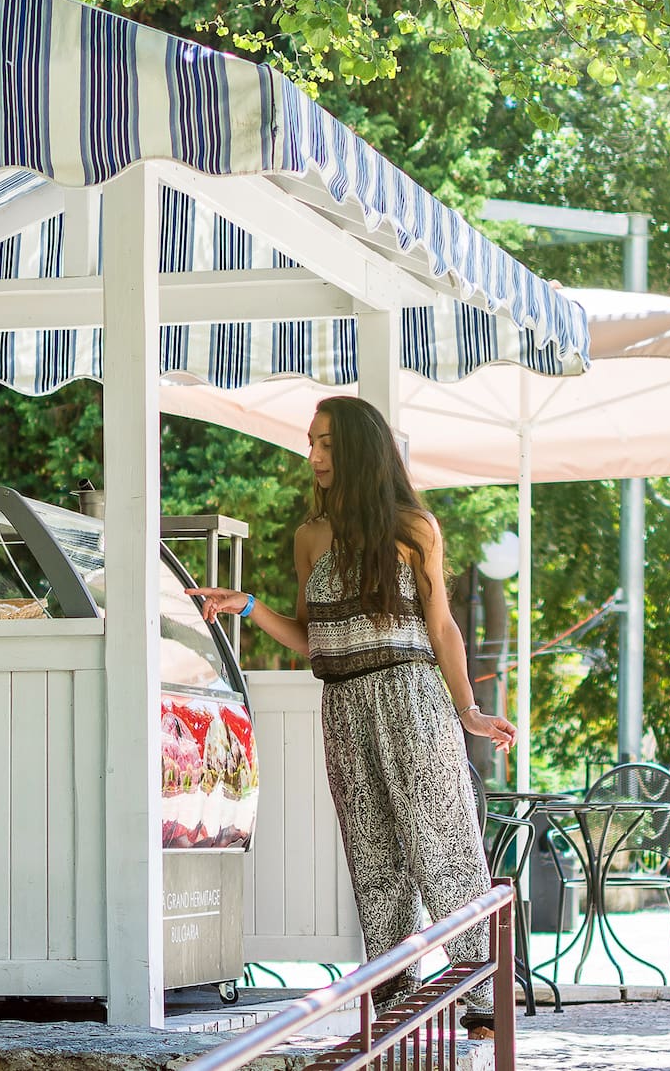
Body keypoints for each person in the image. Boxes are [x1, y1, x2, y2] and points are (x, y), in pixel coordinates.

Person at [188, 395, 517, 1036]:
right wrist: (248, 606)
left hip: (412, 697)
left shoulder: (413, 528)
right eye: (311, 442)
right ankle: (396, 1007)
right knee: (373, 860)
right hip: (342, 706)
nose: (313, 456)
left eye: (329, 444)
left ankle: (482, 1006)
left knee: (443, 848)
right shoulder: (308, 538)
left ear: (360, 449)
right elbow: (316, 639)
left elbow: (441, 625)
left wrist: (468, 712)